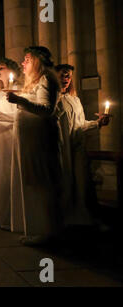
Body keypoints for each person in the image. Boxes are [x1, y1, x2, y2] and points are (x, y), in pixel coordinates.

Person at [7, 46, 63, 245]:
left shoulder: (46, 79)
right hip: (31, 140)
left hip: (40, 140)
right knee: (33, 182)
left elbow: (47, 109)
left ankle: (47, 231)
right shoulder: (35, 82)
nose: (23, 63)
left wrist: (19, 100)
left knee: (42, 182)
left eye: (27, 59)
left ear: (38, 61)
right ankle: (38, 228)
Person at [55, 64, 110, 226]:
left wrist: (97, 123)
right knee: (64, 183)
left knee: (82, 183)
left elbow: (80, 125)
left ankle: (85, 216)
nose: (66, 79)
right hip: (61, 148)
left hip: (77, 148)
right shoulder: (52, 99)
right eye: (62, 75)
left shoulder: (75, 99)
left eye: (69, 76)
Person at [0, 58, 22, 230]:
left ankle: (11, 218)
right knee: (0, 177)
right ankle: (1, 216)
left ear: (12, 71)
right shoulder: (0, 94)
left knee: (9, 176)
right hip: (0, 138)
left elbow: (20, 117)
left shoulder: (17, 91)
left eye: (1, 68)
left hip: (11, 140)